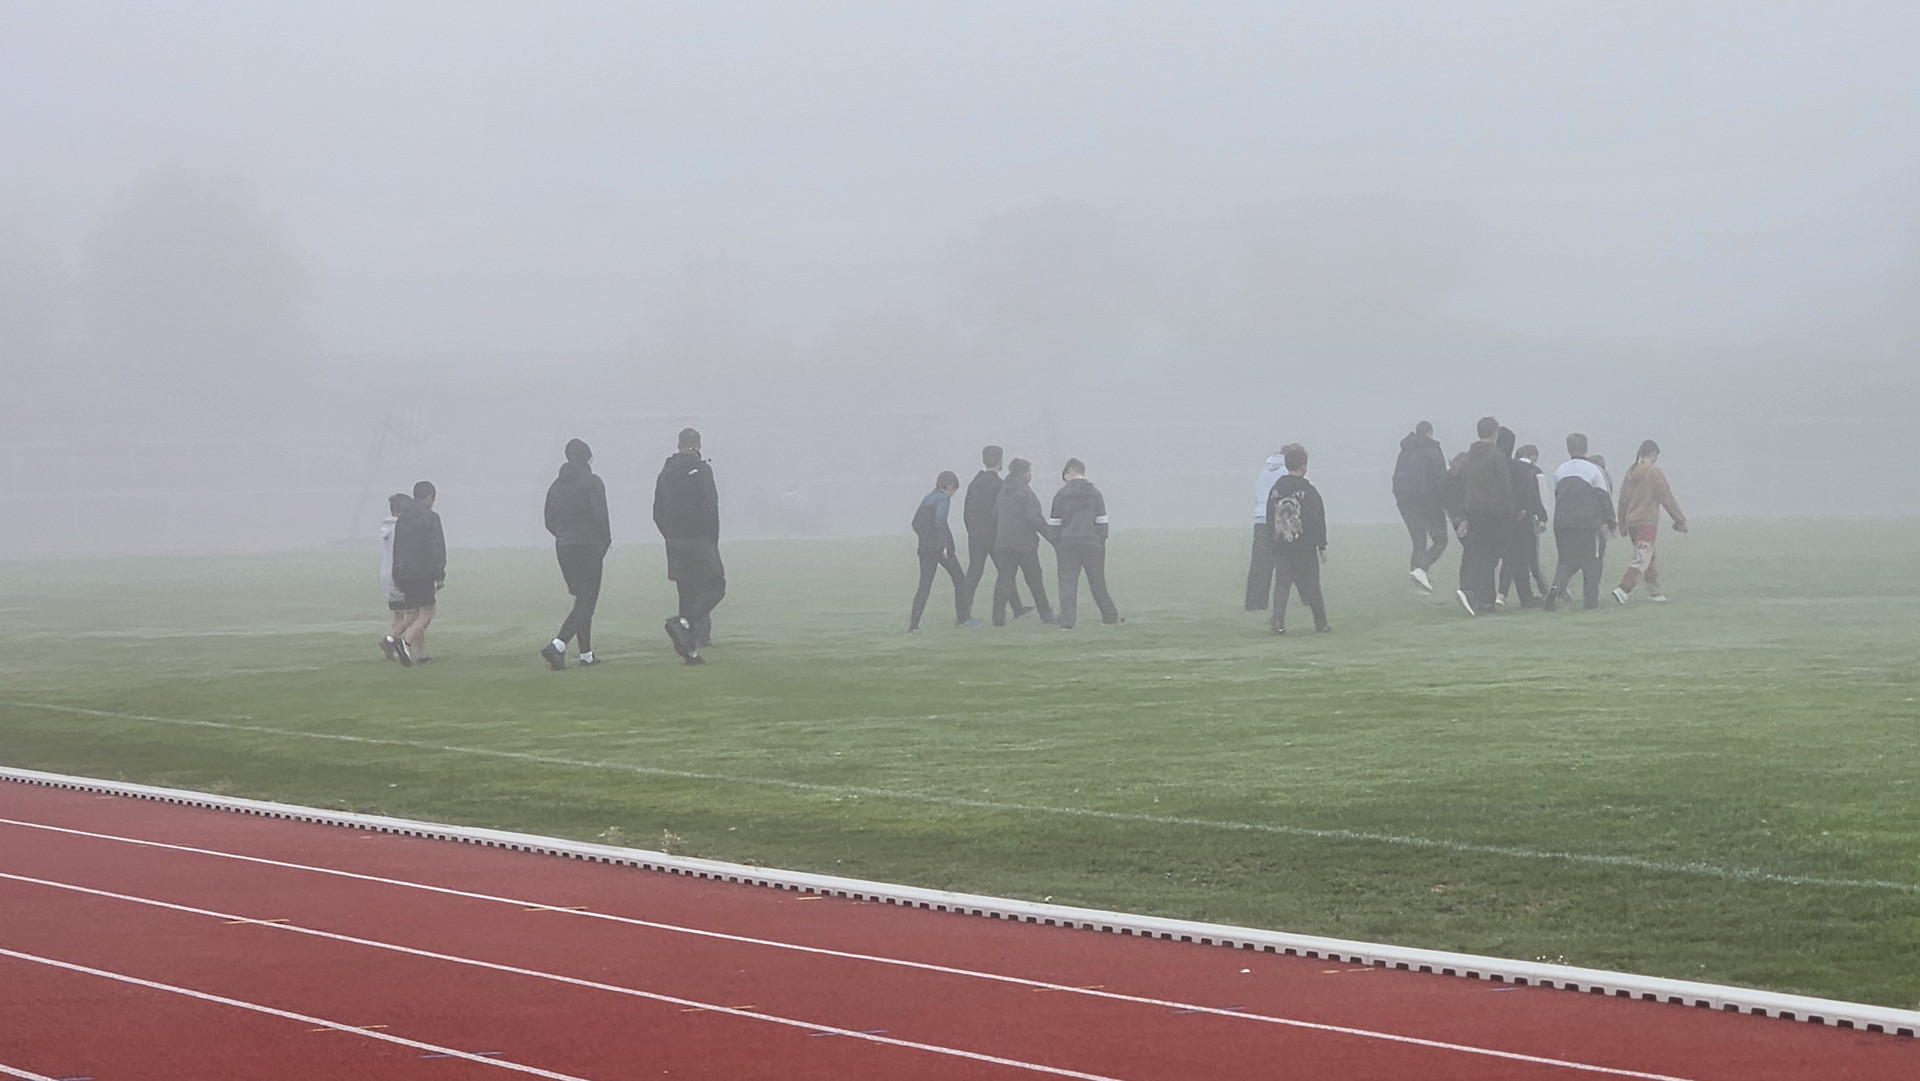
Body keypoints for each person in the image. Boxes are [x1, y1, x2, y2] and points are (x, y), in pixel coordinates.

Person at [654, 427, 723, 665]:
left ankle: (690, 650)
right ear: (698, 444)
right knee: (716, 586)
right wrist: (711, 539)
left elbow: (657, 511)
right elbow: (710, 508)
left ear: (678, 444)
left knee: (686, 592)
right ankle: (684, 625)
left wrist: (670, 535)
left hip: (675, 541)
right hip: (700, 539)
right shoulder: (702, 470)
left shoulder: (665, 473)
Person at [541, 438, 612, 670]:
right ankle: (558, 645)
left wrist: (562, 535)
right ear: (587, 456)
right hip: (589, 546)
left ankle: (586, 654)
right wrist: (604, 543)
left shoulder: (556, 486)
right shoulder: (592, 482)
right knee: (587, 601)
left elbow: (548, 520)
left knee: (582, 599)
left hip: (564, 547)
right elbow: (601, 517)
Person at [1545, 433, 1616, 610]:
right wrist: (1611, 522)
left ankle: (1556, 587)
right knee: (1592, 561)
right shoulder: (1594, 470)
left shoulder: (1560, 470)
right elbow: (1604, 497)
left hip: (1562, 523)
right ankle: (1591, 602)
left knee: (1566, 560)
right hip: (1587, 524)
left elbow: (1558, 496)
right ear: (1585, 448)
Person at [1049, 458, 1121, 629]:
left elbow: (1054, 525)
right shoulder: (1095, 493)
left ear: (1067, 473)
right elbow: (1102, 523)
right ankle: (1109, 617)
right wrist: (1100, 542)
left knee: (1067, 584)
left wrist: (1058, 544)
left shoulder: (1061, 495)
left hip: (1067, 545)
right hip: (1092, 544)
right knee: (1097, 582)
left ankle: (1067, 622)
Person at [1614, 439, 1688, 604]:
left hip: (1631, 521)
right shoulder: (1653, 472)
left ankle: (1655, 592)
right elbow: (1666, 497)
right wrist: (1679, 519)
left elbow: (1622, 499)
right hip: (1646, 520)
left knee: (1649, 557)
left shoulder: (1630, 472)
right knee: (1643, 557)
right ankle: (1623, 588)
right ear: (1653, 454)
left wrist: (1622, 523)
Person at [1454, 416, 1514, 616]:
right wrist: (1510, 512)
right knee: (1490, 557)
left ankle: (1470, 591)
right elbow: (1505, 486)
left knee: (1476, 553)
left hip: (1473, 511)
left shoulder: (1469, 456)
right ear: (1495, 432)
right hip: (1494, 512)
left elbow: (1462, 484)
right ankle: (1484, 600)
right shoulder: (1496, 455)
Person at [1265, 444, 1328, 634]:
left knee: (1282, 585)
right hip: (1304, 548)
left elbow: (1270, 517)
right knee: (1312, 585)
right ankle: (1321, 623)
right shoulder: (1309, 491)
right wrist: (1321, 545)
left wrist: (1272, 540)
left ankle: (1278, 623)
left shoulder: (1276, 490)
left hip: (1281, 545)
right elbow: (1317, 518)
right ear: (1304, 466)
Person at [962, 445, 1027, 619]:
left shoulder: (974, 484)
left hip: (976, 536)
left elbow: (967, 513)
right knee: (1006, 572)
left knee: (974, 574)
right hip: (995, 536)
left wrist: (972, 532)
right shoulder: (1000, 485)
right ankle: (1017, 609)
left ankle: (963, 613)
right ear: (1000, 461)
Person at [990, 457, 1055, 626]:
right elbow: (1036, 518)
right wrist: (1054, 539)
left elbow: (995, 515)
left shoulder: (1003, 490)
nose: (1030, 475)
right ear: (1024, 473)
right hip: (1024, 544)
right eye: (1029, 472)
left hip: (1003, 543)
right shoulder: (1024, 492)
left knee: (1004, 580)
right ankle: (1046, 615)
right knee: (1035, 580)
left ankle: (998, 618)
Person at [388, 480, 445, 666]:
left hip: (403, 573)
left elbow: (397, 548)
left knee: (413, 613)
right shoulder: (431, 518)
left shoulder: (402, 519)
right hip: (423, 572)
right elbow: (437, 547)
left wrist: (396, 573)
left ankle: (419, 655)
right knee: (427, 611)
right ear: (428, 497)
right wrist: (439, 575)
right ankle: (406, 642)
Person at [908, 471, 975, 632]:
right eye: (954, 490)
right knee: (960, 580)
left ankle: (913, 626)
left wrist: (926, 540)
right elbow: (940, 522)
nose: (953, 494)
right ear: (950, 486)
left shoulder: (928, 498)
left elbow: (915, 524)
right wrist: (944, 545)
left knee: (924, 586)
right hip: (940, 548)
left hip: (925, 548)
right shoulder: (943, 499)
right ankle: (963, 618)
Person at [1391, 421, 1449, 593]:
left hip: (1405, 502)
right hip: (1428, 501)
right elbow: (1440, 479)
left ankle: (1418, 582)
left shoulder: (1405, 451)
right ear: (1430, 433)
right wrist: (1446, 503)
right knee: (1441, 540)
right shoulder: (1432, 450)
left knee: (1419, 541)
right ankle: (1421, 569)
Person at [1493, 427, 1543, 608]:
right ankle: (1525, 597)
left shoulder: (1487, 461)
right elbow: (1526, 492)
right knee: (1519, 558)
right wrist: (1527, 510)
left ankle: (1493, 594)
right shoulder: (1512, 467)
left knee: (1501, 558)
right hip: (1514, 519)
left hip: (1491, 517)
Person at [1244, 449, 1290, 609]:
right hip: (1278, 520)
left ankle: (1254, 602)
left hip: (1260, 519)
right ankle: (1305, 598)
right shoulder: (1286, 473)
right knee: (1290, 562)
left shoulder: (1265, 471)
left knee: (1259, 564)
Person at [377, 493, 408, 661]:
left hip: (386, 576)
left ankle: (394, 650)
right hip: (400, 575)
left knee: (398, 615)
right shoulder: (402, 528)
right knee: (414, 614)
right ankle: (390, 641)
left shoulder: (386, 526)